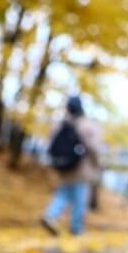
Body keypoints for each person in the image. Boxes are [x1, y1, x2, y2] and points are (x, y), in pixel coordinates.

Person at [41, 96, 103, 236]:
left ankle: (50, 215)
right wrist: (97, 163)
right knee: (80, 199)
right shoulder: (86, 125)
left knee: (62, 194)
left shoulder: (61, 125)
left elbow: (51, 144)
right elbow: (93, 147)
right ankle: (76, 229)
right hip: (81, 168)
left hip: (64, 167)